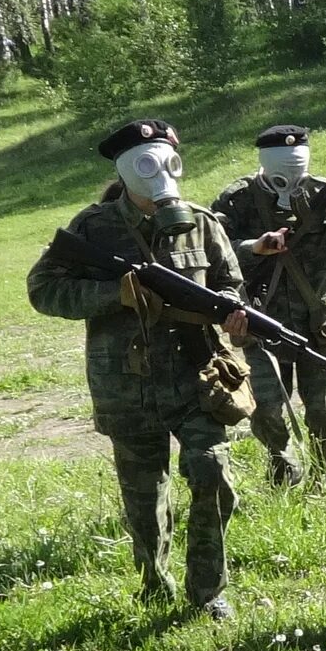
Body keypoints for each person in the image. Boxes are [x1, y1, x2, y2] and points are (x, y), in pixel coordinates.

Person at [25, 118, 256, 619]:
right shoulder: (93, 227)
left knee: (214, 474)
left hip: (199, 376)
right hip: (125, 384)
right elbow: (43, 290)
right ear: (129, 170)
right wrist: (115, 294)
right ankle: (155, 579)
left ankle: (208, 592)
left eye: (169, 160)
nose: (162, 174)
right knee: (144, 496)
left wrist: (235, 313)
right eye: (149, 163)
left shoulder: (201, 222)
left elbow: (230, 281)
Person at [211, 124, 326, 487]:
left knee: (323, 411)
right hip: (261, 321)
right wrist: (254, 247)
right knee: (268, 410)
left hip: (319, 321)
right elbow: (214, 251)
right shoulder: (238, 198)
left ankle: (322, 481)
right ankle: (283, 466)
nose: (292, 176)